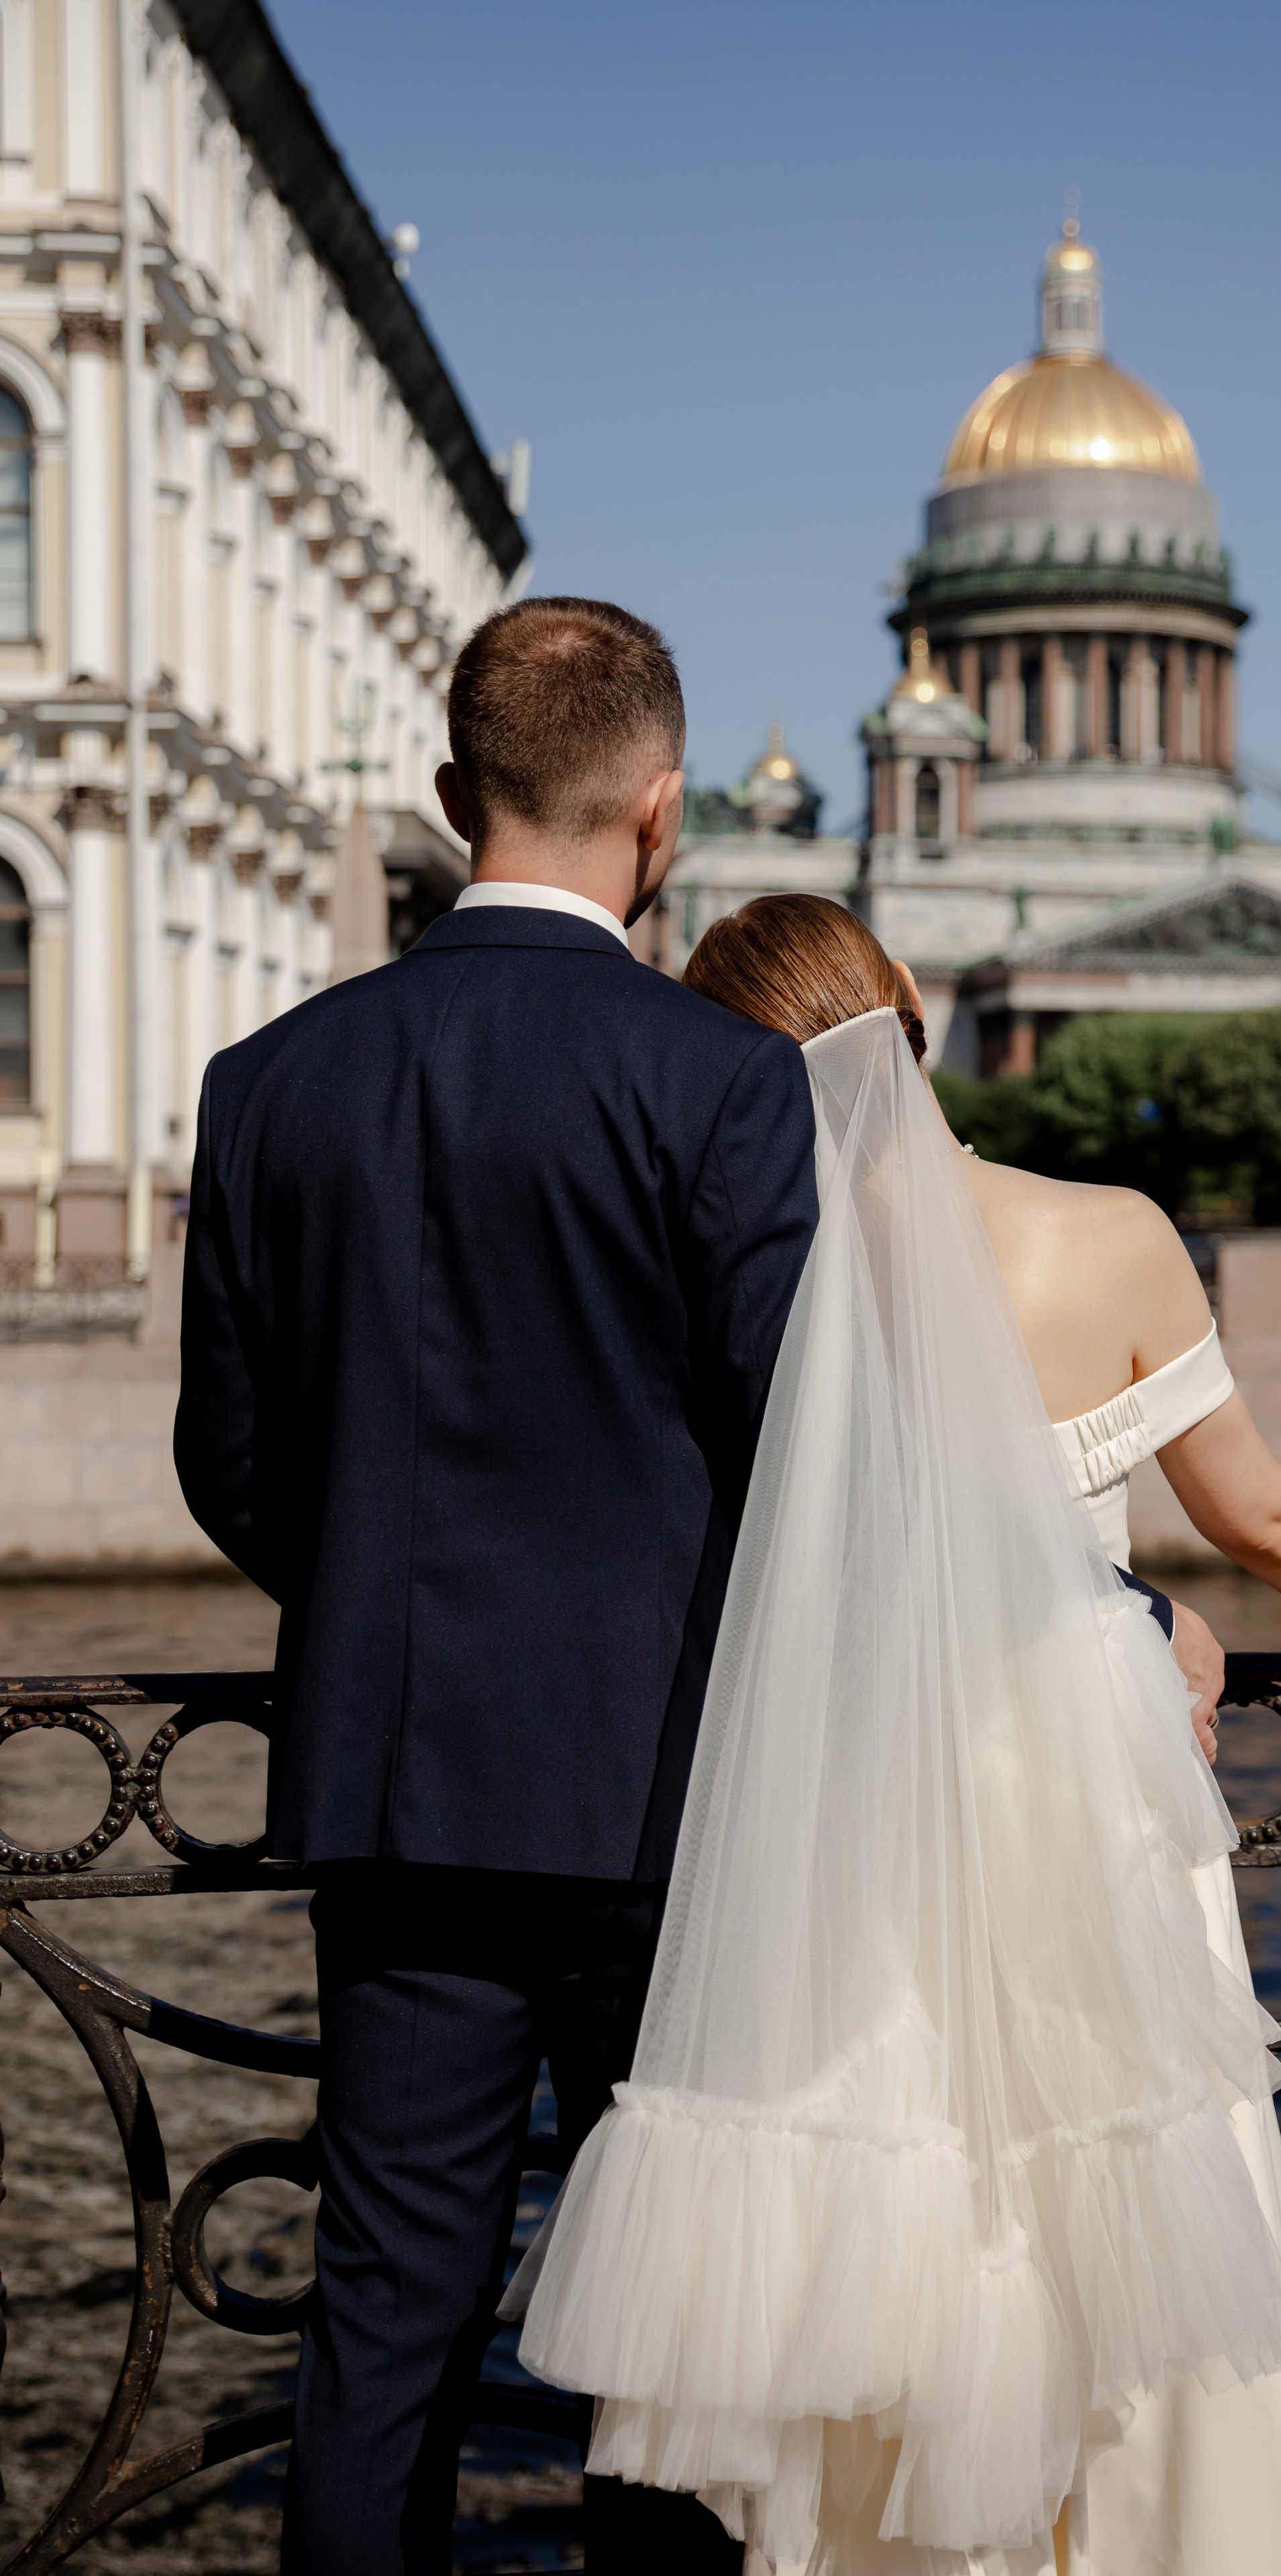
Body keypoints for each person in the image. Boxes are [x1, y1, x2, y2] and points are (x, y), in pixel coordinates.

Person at [508, 894, 1281, 2576]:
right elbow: (1264, 1518)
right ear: (919, 1005)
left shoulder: (745, 1273)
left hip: (852, 1798)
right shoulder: (1110, 1234)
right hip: (1078, 1788)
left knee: (902, 2178)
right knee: (1122, 2187)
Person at [173, 600, 821, 2576]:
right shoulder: (719, 1083)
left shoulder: (269, 1078)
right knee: (680, 2332)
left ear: (457, 801)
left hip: (395, 1795)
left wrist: (379, 1594)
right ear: (666, 815)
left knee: (385, 2322)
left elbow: (233, 1464)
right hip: (672, 1814)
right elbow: (812, 1456)